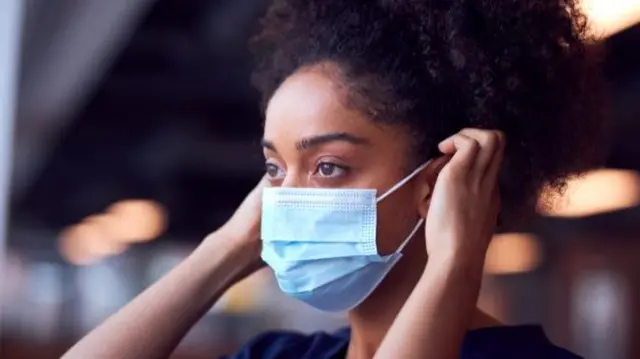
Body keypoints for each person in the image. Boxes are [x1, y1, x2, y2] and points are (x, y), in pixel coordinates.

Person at [63, 0, 607, 358]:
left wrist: (455, 268)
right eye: (275, 168)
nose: (287, 199)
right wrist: (227, 247)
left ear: (438, 185)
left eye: (327, 167)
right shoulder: (280, 356)